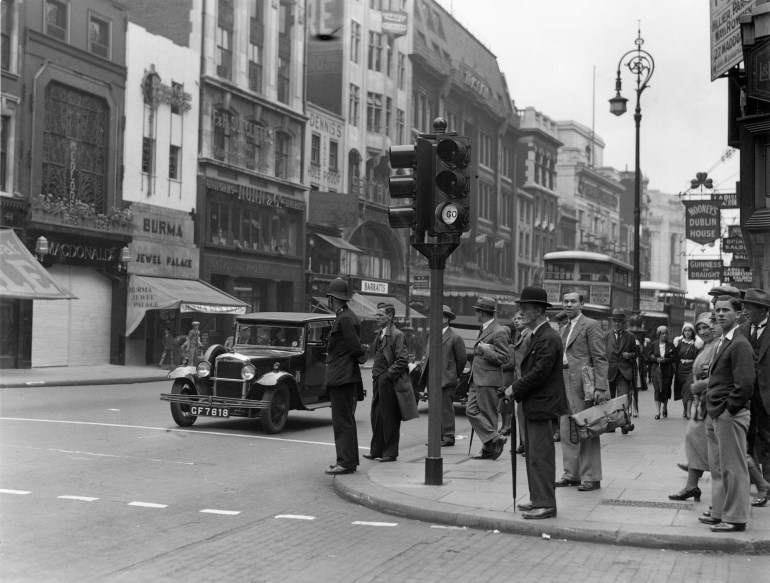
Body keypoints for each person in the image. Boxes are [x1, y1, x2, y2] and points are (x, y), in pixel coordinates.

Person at [506, 287, 569, 520]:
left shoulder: (548, 337)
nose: (521, 311)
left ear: (539, 310)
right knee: (533, 454)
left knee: (541, 456)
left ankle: (546, 503)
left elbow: (540, 373)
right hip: (535, 404)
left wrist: (515, 388)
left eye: (525, 308)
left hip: (543, 405)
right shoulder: (538, 335)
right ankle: (537, 498)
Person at [699, 295, 755, 533]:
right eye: (717, 311)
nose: (720, 314)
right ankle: (720, 512)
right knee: (719, 467)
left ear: (738, 314)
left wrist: (728, 410)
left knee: (734, 466)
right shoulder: (724, 341)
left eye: (726, 311)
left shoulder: (740, 343)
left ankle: (736, 517)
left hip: (729, 414)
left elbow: (745, 384)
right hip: (717, 412)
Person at [556, 289, 608, 491]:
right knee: (566, 429)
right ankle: (572, 473)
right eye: (565, 301)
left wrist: (601, 387)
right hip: (564, 382)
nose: (568, 305)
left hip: (584, 385)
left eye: (573, 302)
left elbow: (600, 357)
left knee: (587, 429)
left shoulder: (591, 325)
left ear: (581, 305)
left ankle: (591, 476)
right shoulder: (564, 328)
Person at [669, 312, 720, 502]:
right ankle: (692, 484)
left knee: (731, 452)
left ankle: (762, 484)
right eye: (700, 328)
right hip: (702, 404)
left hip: (713, 403)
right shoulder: (706, 346)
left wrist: (702, 384)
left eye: (707, 327)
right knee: (695, 440)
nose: (703, 331)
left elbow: (720, 374)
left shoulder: (718, 346)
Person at [323, 277, 368, 476]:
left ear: (333, 299)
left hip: (342, 377)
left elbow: (355, 346)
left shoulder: (345, 319)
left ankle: (346, 462)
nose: (328, 302)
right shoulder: (345, 316)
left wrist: (361, 357)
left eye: (329, 298)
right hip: (343, 376)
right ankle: (348, 460)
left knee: (342, 421)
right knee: (344, 420)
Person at [364, 303, 419, 462]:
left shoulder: (397, 335)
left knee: (390, 418)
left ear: (390, 316)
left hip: (388, 382)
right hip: (379, 380)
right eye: (377, 314)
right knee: (376, 415)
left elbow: (402, 360)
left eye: (381, 315)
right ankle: (377, 450)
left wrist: (388, 375)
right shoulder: (380, 334)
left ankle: (389, 453)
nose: (377, 317)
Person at [737, 287, 770, 507]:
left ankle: (766, 486)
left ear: (761, 309)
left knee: (767, 442)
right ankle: (748, 484)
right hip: (746, 395)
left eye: (749, 307)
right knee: (745, 441)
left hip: (767, 397)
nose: (745, 310)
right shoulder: (742, 330)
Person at [466, 296, 509, 460]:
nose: (475, 314)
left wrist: (485, 350)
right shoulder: (485, 329)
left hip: (488, 380)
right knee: (471, 410)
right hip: (478, 379)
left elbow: (505, 358)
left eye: (477, 311)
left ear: (482, 312)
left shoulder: (498, 331)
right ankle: (494, 438)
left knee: (489, 414)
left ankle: (488, 449)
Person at [417, 305, 467, 447]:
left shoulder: (455, 337)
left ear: (445, 319)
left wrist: (451, 373)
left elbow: (462, 359)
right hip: (431, 379)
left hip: (446, 379)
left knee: (445, 409)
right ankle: (437, 436)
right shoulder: (432, 335)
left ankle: (449, 436)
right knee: (434, 409)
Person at [604, 308, 637, 434]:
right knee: (610, 400)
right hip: (609, 372)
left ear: (624, 323)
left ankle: (625, 424)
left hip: (624, 373)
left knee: (623, 398)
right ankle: (612, 425)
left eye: (619, 321)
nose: (617, 323)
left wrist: (630, 355)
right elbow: (600, 354)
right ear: (612, 322)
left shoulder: (630, 337)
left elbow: (636, 354)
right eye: (615, 321)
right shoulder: (605, 336)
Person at [646, 326, 678, 420]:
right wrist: (656, 359)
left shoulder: (671, 345)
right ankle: (657, 411)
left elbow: (674, 357)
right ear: (658, 334)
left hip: (667, 370)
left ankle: (665, 407)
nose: (664, 335)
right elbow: (649, 356)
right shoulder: (653, 344)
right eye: (662, 333)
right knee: (657, 389)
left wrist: (666, 360)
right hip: (656, 370)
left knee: (665, 389)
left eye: (666, 333)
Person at [512, 311, 532, 454]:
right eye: (515, 318)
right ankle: (523, 443)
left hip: (525, 380)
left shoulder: (529, 335)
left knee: (524, 413)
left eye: (520, 318)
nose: (517, 321)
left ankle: (528, 445)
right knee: (520, 413)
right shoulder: (519, 335)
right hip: (519, 379)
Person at [674, 323, 701, 419]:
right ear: (683, 332)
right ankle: (685, 409)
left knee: (688, 388)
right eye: (685, 330)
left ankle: (689, 411)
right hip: (681, 368)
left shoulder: (696, 343)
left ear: (692, 332)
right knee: (683, 389)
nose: (687, 332)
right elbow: (675, 356)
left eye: (689, 330)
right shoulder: (679, 342)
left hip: (691, 368)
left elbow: (698, 357)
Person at [499, 325, 516, 437]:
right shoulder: (501, 347)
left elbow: (511, 363)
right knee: (501, 403)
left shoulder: (510, 347)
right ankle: (504, 425)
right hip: (501, 376)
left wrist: (498, 365)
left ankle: (507, 425)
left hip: (507, 376)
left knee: (506, 402)